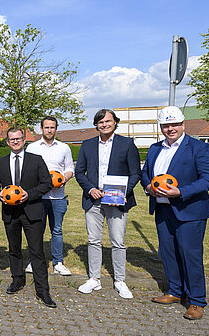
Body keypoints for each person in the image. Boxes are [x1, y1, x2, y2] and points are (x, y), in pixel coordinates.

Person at [142, 106, 209, 320]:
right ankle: (175, 291)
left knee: (190, 255)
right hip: (162, 209)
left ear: (183, 124)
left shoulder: (198, 148)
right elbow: (145, 173)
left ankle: (196, 301)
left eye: (174, 124)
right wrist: (148, 187)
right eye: (166, 125)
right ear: (161, 128)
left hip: (190, 211)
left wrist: (180, 192)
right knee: (168, 254)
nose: (170, 129)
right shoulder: (155, 148)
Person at [75, 109, 141, 299]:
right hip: (93, 200)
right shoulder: (87, 145)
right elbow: (80, 172)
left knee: (118, 242)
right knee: (94, 240)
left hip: (117, 201)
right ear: (96, 125)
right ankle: (94, 278)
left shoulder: (127, 144)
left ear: (115, 122)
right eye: (100, 122)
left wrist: (123, 193)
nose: (104, 125)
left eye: (108, 121)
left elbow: (135, 173)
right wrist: (90, 189)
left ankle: (120, 280)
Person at [0, 127, 56, 308]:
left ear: (24, 139)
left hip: (32, 211)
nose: (15, 142)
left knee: (36, 251)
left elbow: (47, 183)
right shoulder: (0, 162)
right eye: (12, 139)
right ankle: (17, 279)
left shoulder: (36, 160)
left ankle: (43, 290)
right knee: (14, 249)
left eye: (18, 139)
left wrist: (29, 194)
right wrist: (0, 195)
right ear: (7, 142)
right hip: (10, 213)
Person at [25, 116, 74, 276]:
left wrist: (62, 179)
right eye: (46, 127)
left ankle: (58, 262)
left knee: (57, 230)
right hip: (38, 197)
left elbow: (70, 169)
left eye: (52, 127)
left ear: (56, 129)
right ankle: (34, 261)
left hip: (58, 197)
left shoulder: (64, 148)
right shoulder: (32, 148)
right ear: (41, 129)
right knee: (37, 231)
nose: (49, 130)